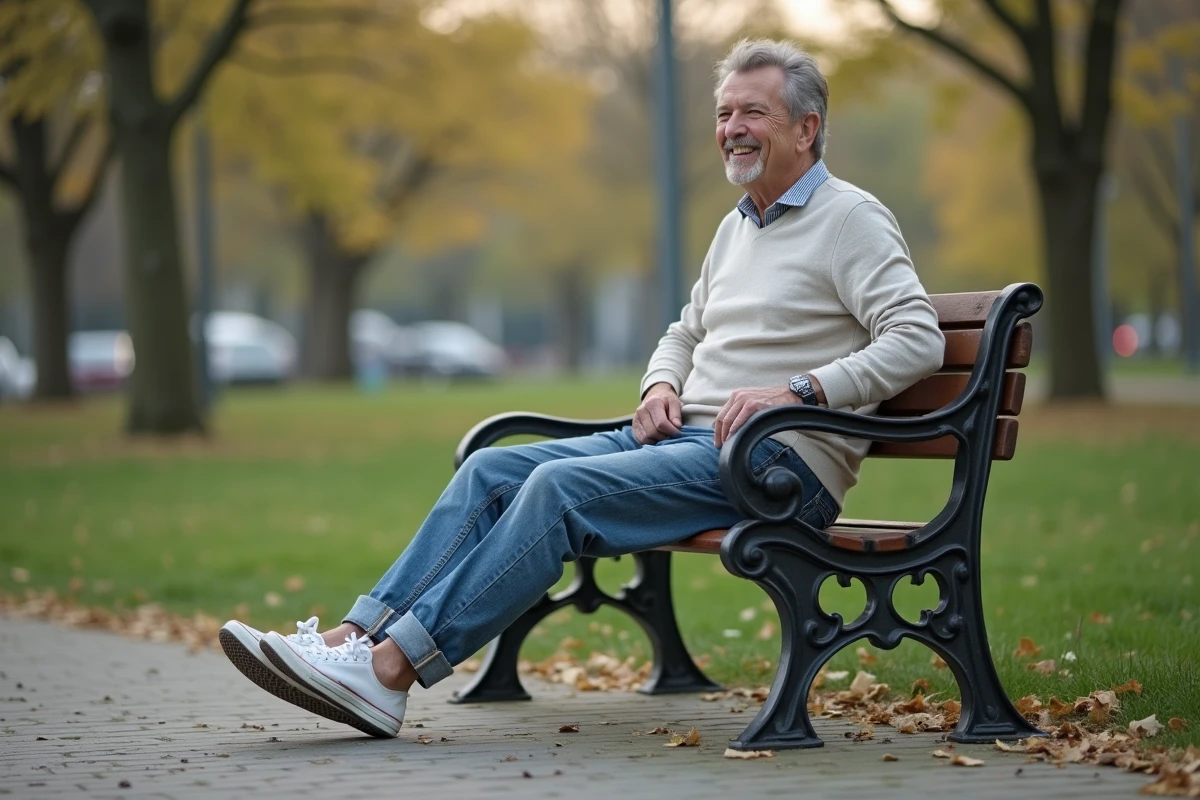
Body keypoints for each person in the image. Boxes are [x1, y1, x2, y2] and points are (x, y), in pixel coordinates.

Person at [219, 38, 945, 739]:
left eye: (751, 112)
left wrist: (799, 391)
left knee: (554, 493)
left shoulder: (851, 219)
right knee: (491, 469)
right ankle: (351, 640)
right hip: (687, 439)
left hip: (775, 462)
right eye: (723, 114)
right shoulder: (738, 228)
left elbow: (918, 339)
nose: (730, 130)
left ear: (806, 127)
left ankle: (388, 671)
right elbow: (684, 332)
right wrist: (662, 380)